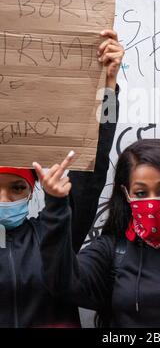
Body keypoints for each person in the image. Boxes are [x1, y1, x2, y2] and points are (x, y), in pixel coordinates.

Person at [35, 138, 160, 328]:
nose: (153, 202)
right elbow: (63, 282)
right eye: (141, 193)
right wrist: (56, 205)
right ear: (126, 195)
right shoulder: (112, 250)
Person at [0, 29, 124, 328]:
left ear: (32, 191)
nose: (5, 199)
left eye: (17, 188)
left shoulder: (53, 234)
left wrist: (106, 88)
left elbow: (92, 167)